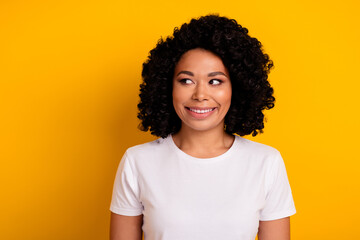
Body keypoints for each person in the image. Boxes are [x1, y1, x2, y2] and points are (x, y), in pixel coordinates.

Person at [110, 14, 296, 240]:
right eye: (186, 80)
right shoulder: (137, 161)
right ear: (168, 87)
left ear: (236, 88)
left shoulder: (266, 163)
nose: (200, 95)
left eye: (215, 81)